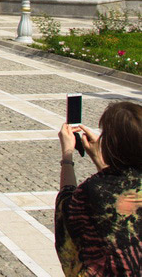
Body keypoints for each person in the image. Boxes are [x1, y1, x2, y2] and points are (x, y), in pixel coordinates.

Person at [55, 100, 142, 276]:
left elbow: (66, 209)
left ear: (111, 144)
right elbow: (123, 192)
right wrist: (98, 158)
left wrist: (67, 155)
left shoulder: (92, 191)